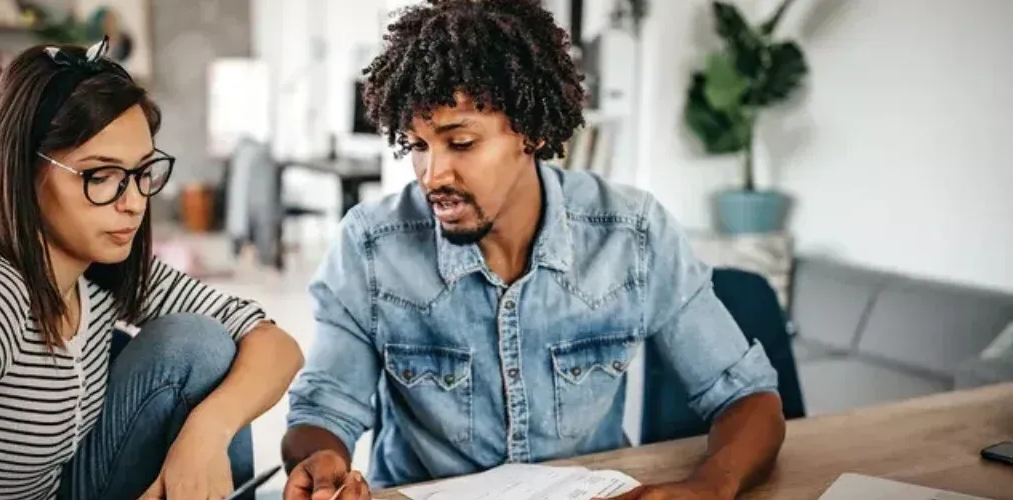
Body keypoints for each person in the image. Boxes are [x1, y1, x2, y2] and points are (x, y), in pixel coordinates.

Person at [280, 1, 786, 499]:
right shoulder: (370, 245)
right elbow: (322, 413)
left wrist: (709, 488)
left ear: (533, 134)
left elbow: (747, 398)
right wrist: (323, 463)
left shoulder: (631, 234)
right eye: (418, 145)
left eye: (461, 143)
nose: (433, 176)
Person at [0, 38, 304, 500]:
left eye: (143, 172)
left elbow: (276, 344)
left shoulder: (101, 267)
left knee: (200, 343)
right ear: (24, 169)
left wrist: (207, 433)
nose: (133, 202)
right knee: (194, 344)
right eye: (100, 176)